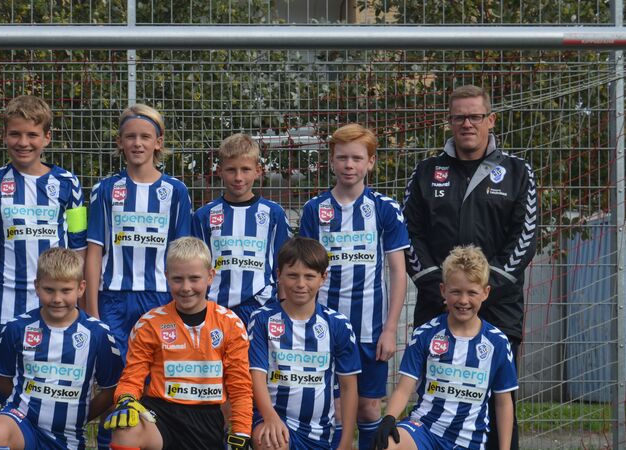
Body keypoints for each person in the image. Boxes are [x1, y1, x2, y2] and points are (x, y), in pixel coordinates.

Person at [402, 85, 538, 449]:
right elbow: (409, 234)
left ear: (490, 120)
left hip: (499, 308)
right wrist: (443, 289)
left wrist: (480, 291)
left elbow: (525, 236)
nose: (467, 124)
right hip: (437, 305)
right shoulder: (426, 172)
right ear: (449, 122)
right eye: (459, 117)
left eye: (475, 116)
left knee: (497, 402)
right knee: (436, 399)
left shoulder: (517, 172)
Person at [298, 123, 409, 449]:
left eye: (357, 158)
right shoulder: (315, 209)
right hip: (325, 328)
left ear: (370, 162)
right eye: (342, 157)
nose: (349, 165)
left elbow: (398, 272)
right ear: (331, 160)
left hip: (371, 330)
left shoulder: (384, 208)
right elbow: (305, 271)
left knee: (368, 406)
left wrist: (391, 329)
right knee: (332, 408)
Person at [0, 95, 87, 403]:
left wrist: (81, 303)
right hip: (4, 306)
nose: (23, 142)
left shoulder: (69, 183)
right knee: (5, 393)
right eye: (15, 134)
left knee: (52, 388)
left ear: (47, 137)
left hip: (56, 306)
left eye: (32, 135)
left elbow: (78, 246)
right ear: (4, 136)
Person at [103, 237, 252, 450]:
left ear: (210, 276)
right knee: (126, 428)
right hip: (160, 415)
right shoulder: (149, 323)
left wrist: (241, 433)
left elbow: (240, 387)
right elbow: (132, 378)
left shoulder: (230, 324)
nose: (186, 287)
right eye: (178, 279)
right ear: (166, 277)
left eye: (194, 278)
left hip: (208, 419)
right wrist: (126, 400)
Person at [371, 245, 517, 450]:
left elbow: (503, 403)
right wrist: (389, 418)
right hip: (424, 430)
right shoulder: (425, 334)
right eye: (456, 292)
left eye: (472, 292)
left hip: (469, 441)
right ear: (443, 290)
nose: (463, 300)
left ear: (485, 293)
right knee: (387, 445)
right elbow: (404, 389)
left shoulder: (498, 342)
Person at [0, 247, 122, 450]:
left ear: (81, 288)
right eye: (49, 290)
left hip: (68, 435)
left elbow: (110, 389)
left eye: (66, 290)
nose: (57, 299)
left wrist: (82, 416)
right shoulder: (16, 328)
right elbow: (2, 380)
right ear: (37, 287)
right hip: (23, 423)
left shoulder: (98, 334)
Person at [83, 104, 192, 358]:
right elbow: (94, 251)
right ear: (120, 142)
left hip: (161, 297)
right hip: (113, 298)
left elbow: (182, 254)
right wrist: (92, 312)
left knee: (157, 370)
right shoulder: (105, 189)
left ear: (158, 142)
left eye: (145, 137)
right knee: (116, 371)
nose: (137, 143)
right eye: (130, 136)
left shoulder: (176, 191)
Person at [249, 237, 361, 450]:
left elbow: (348, 387)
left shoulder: (338, 324)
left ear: (323, 278)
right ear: (279, 275)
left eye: (309, 276)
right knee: (270, 442)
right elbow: (257, 377)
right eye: (293, 275)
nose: (301, 284)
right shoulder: (262, 319)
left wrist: (346, 440)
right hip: (272, 418)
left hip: (320, 431)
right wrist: (270, 417)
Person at [192, 133, 290, 324]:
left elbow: (284, 264)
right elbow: (196, 265)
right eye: (231, 170)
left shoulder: (274, 213)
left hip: (261, 308)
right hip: (217, 309)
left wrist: (284, 304)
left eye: (245, 169)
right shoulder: (204, 215)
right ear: (220, 171)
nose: (238, 177)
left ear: (258, 171)